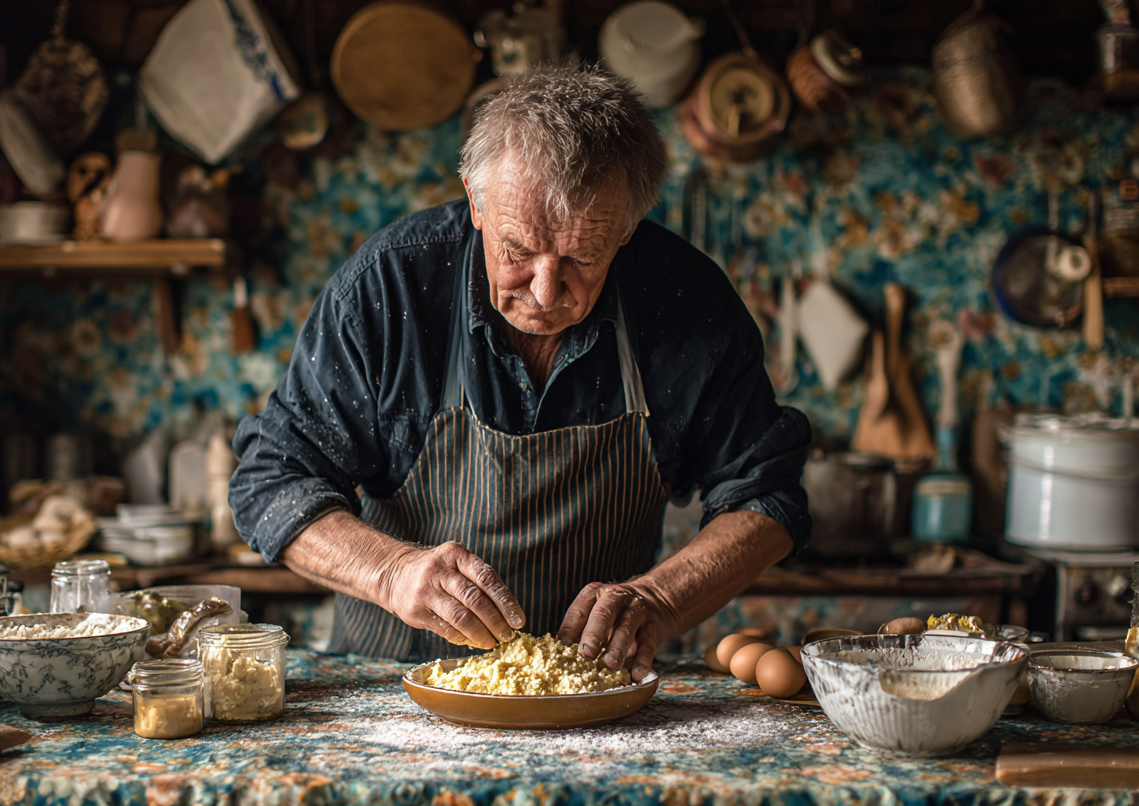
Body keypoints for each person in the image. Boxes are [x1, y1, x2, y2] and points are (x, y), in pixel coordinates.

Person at [230, 65, 810, 680]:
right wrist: (390, 570)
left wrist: (659, 600)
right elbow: (271, 480)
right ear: (475, 201)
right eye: (518, 251)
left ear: (627, 228)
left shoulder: (687, 303)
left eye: (582, 257)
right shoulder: (391, 289)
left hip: (593, 692)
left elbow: (765, 494)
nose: (544, 290)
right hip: (388, 688)